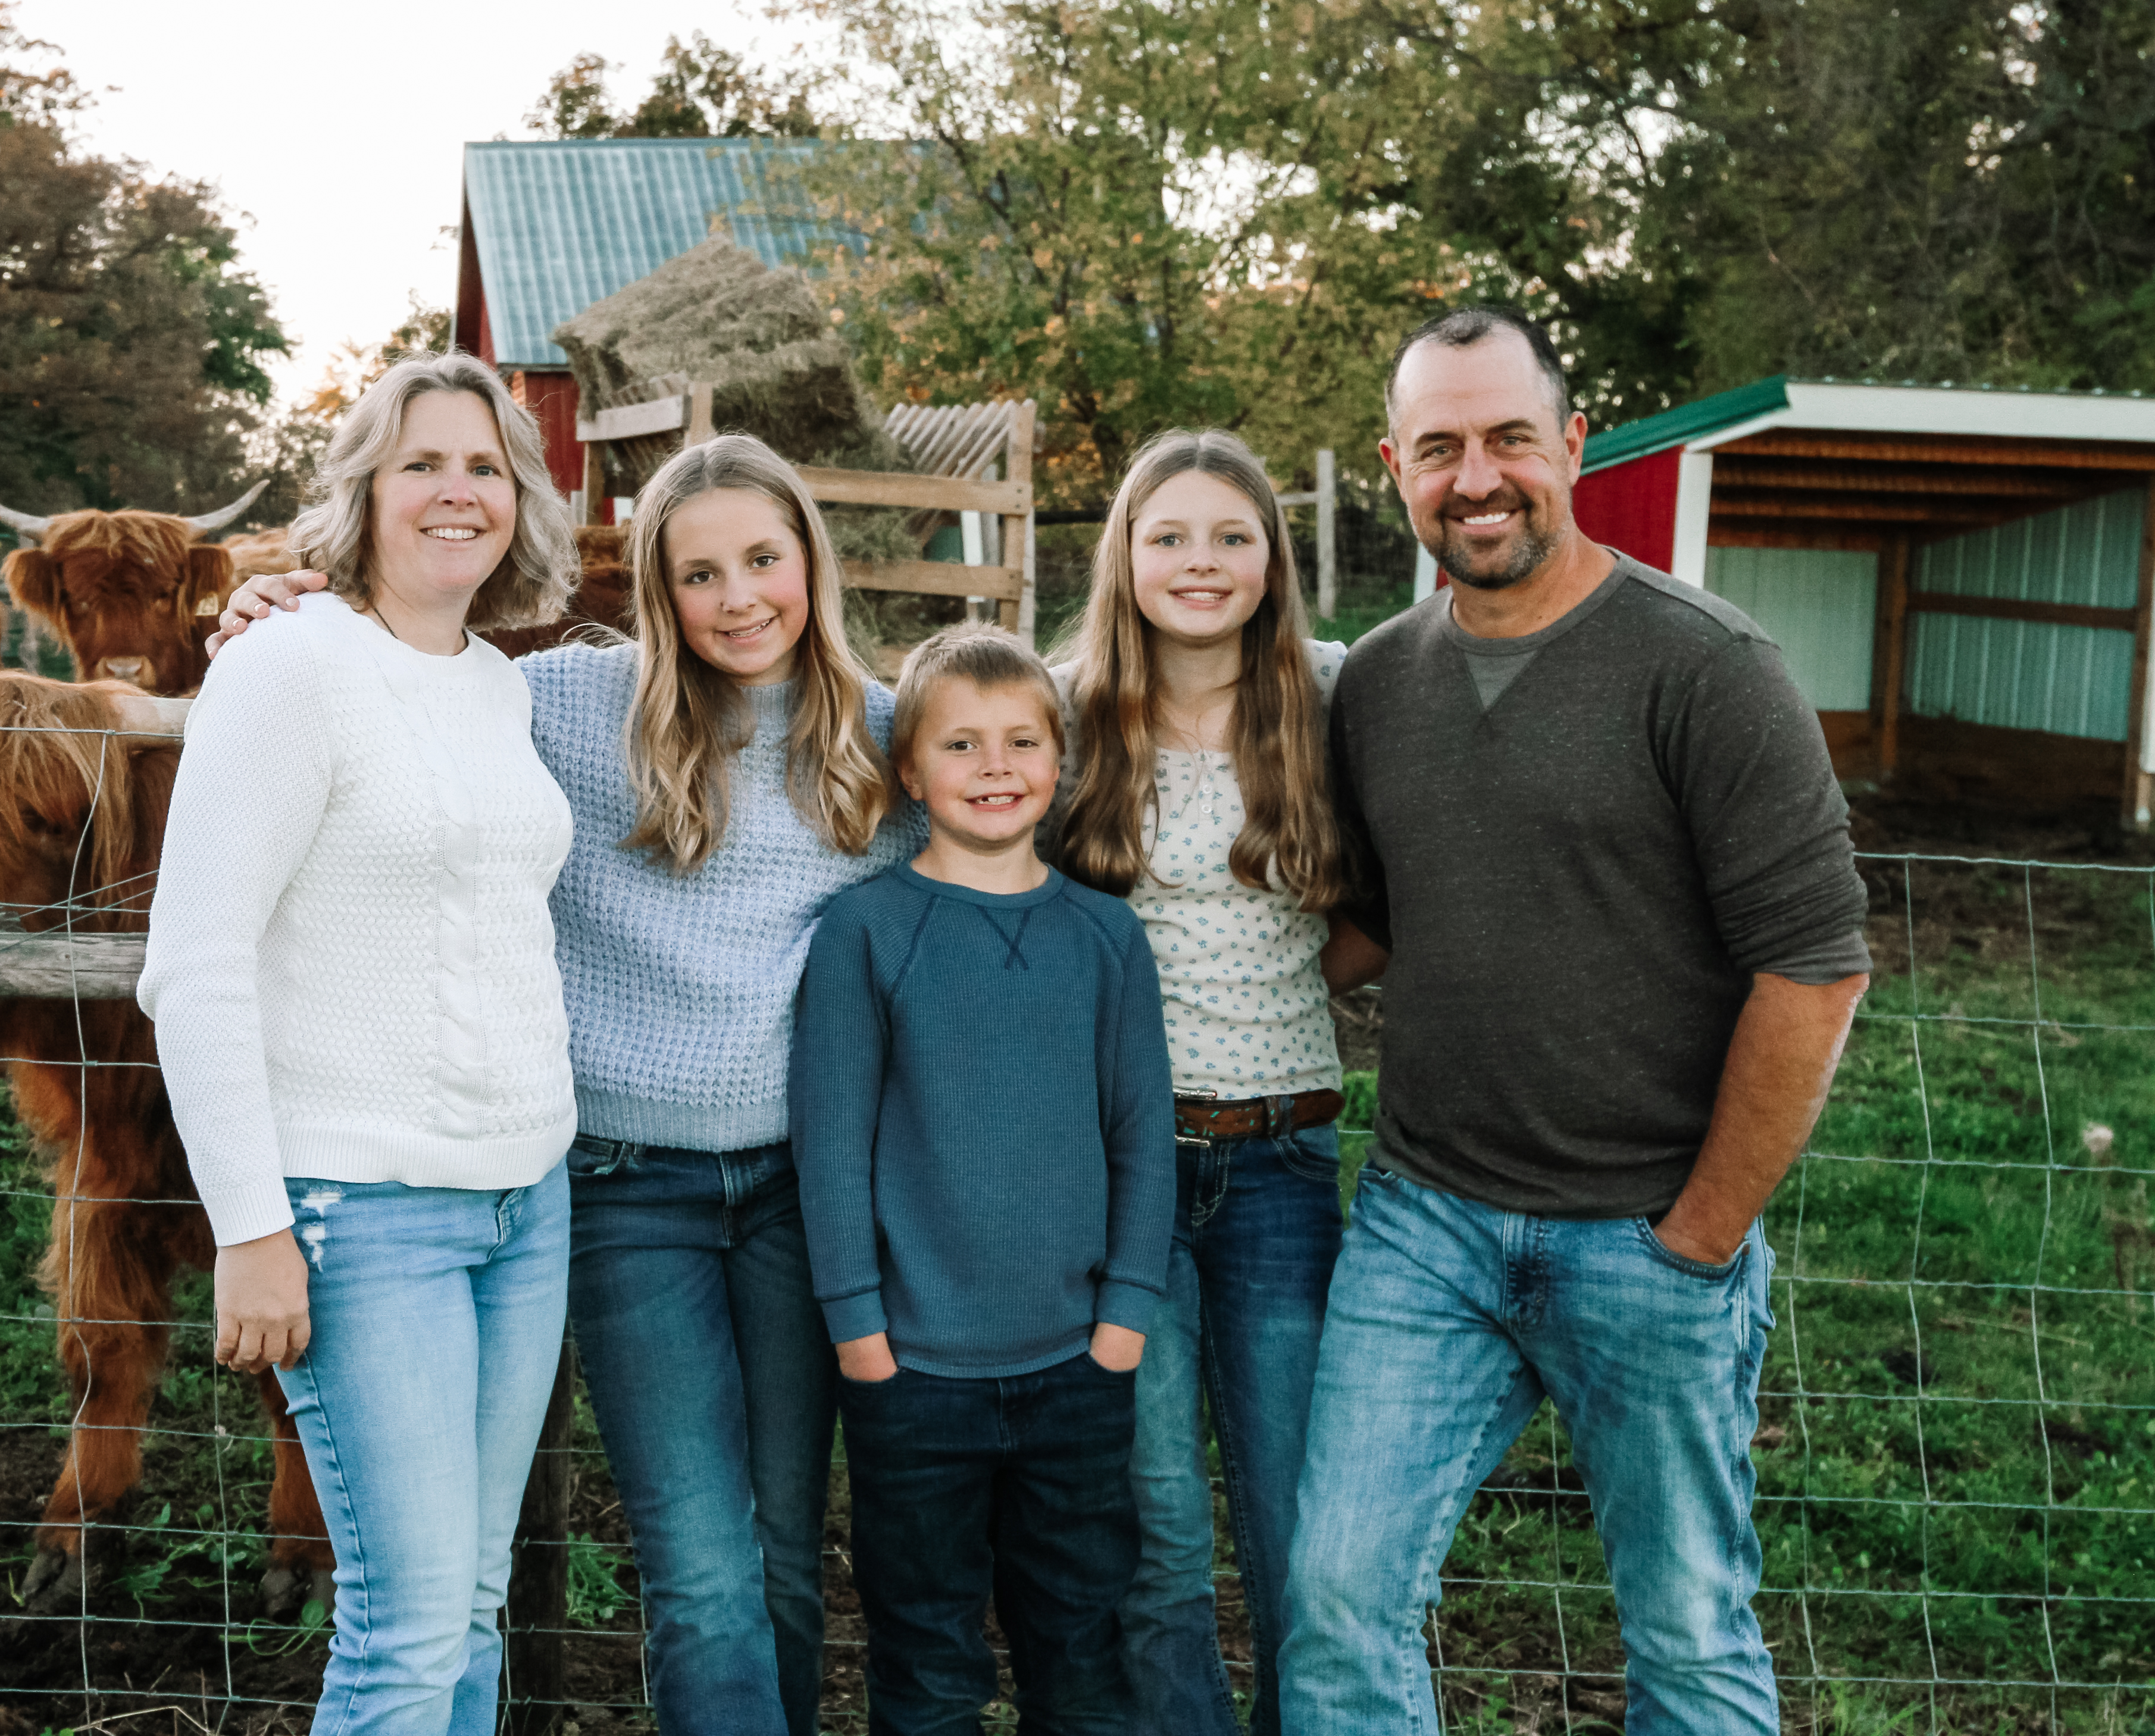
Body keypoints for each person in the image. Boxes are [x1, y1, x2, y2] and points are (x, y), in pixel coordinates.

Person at [212, 431, 919, 1736]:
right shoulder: (571, 708)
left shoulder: (886, 739)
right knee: (701, 1569)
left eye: (766, 559)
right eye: (699, 574)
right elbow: (393, 682)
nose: (740, 598)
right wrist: (272, 618)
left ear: (812, 565)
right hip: (627, 1192)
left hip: (802, 1195)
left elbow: (1043, 740)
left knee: (782, 1561)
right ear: (656, 590)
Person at [1275, 307, 1873, 1733]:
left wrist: (1704, 1238)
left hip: (1648, 1233)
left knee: (1686, 1629)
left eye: (1507, 441)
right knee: (1338, 1598)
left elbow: (1816, 970)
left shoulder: (1708, 671)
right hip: (1427, 1227)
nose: (1476, 479)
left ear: (1573, 447)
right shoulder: (1381, 685)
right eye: (1439, 450)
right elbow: (1387, 915)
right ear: (1393, 468)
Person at [138, 352, 585, 1735]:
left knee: (471, 1605)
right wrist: (251, 1229)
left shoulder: (496, 688)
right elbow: (192, 966)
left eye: (487, 467)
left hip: (524, 1203)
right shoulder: (286, 669)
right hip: (360, 1210)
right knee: (402, 1627)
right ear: (365, 494)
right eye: (422, 464)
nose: (459, 492)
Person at [794, 624, 1177, 1736]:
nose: (995, 768)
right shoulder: (865, 931)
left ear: (1061, 761)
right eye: (961, 745)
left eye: (1021, 741)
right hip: (913, 1377)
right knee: (926, 1661)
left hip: (1077, 1368)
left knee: (1082, 1654)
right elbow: (832, 1145)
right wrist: (860, 1333)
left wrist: (1125, 1323)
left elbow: (1142, 1138)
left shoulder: (1105, 939)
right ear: (910, 770)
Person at [1046, 431, 1357, 1736]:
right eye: (1169, 535)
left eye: (1234, 536)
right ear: (1124, 553)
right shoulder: (1062, 709)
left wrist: (1279, 999)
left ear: (1275, 563)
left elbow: (1379, 912)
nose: (1201, 562)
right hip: (1126, 1174)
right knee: (1161, 1525)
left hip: (1283, 1163)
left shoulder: (1335, 696)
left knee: (1304, 1529)